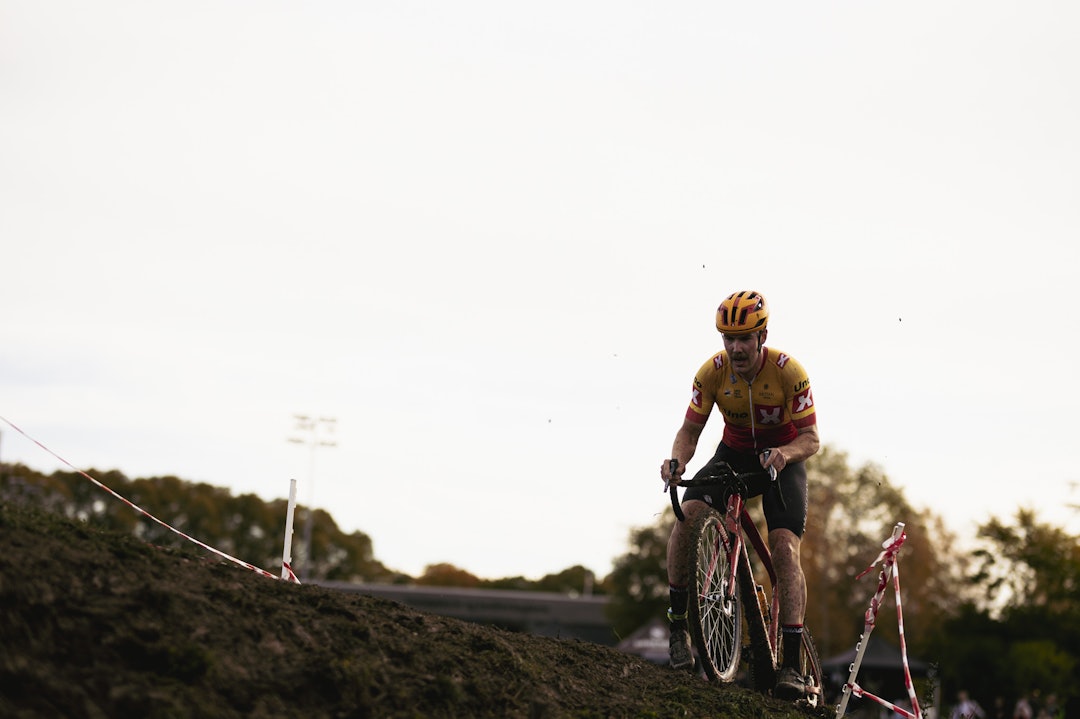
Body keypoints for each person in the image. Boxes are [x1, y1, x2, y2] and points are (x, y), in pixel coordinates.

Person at [660, 290, 819, 700]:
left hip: (780, 458)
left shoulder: (789, 372)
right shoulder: (712, 372)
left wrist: (784, 454)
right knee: (687, 514)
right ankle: (679, 630)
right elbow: (690, 432)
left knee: (784, 548)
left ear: (761, 335)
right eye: (727, 339)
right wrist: (677, 462)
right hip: (733, 454)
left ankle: (792, 664)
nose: (735, 348)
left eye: (744, 338)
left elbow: (811, 439)